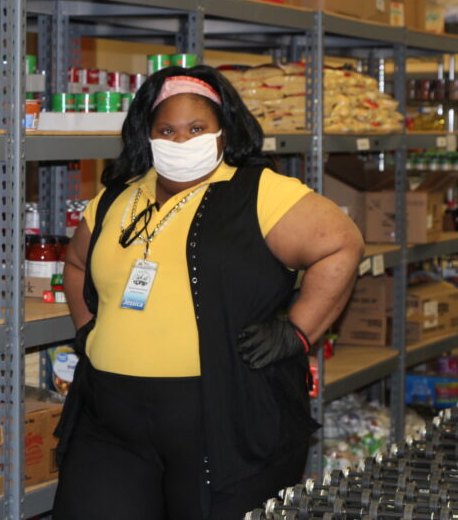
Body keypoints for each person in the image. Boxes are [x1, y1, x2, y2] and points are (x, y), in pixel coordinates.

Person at [52, 65, 364, 520]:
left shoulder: (259, 193)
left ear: (223, 130)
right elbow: (77, 263)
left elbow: (342, 245)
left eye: (197, 128)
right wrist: (88, 329)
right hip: (111, 421)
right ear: (147, 135)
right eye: (168, 130)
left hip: (220, 421)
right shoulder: (116, 199)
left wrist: (298, 331)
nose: (182, 141)